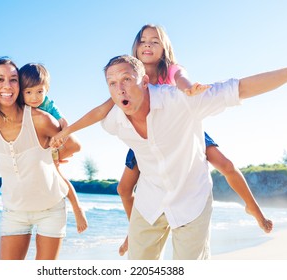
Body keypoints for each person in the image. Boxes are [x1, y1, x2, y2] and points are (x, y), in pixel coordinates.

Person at [50, 24, 272, 256]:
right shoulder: (124, 75)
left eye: (155, 41)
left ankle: (253, 208)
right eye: (143, 40)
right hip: (144, 139)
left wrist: (189, 90)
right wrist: (67, 131)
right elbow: (100, 111)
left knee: (224, 164)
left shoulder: (170, 69)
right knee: (124, 188)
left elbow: (183, 80)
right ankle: (134, 231)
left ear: (164, 48)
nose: (148, 44)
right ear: (135, 49)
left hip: (182, 131)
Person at [99, 54, 287, 260]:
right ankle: (131, 234)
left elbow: (240, 88)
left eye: (126, 79)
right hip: (149, 202)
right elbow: (90, 120)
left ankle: (252, 207)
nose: (120, 89)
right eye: (112, 84)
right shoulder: (112, 122)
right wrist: (66, 130)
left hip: (191, 200)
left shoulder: (181, 100)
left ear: (144, 81)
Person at [0, 63, 88, 234]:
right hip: (15, 209)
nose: (34, 97)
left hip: (50, 173)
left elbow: (69, 135)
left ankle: (78, 209)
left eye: (39, 92)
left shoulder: (47, 109)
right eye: (29, 92)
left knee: (59, 176)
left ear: (46, 90)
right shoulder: (5, 111)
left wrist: (52, 153)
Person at [0, 57, 81, 260]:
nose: (7, 85)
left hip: (51, 208)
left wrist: (52, 155)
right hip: (14, 211)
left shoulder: (41, 119)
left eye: (13, 79)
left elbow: (73, 144)